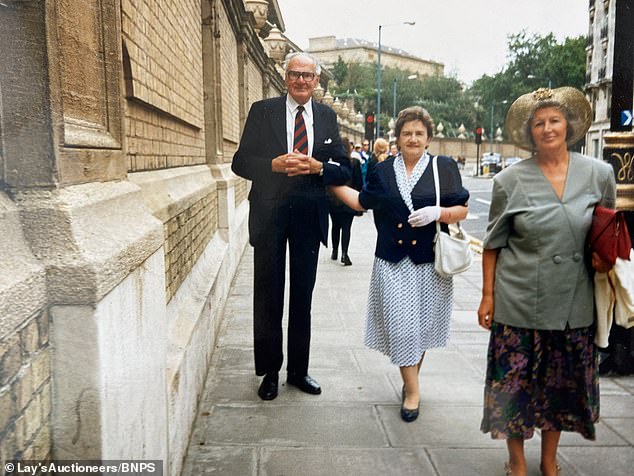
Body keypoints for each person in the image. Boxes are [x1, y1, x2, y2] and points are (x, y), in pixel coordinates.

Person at [477, 87, 616, 476]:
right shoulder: (509, 181)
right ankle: (517, 461)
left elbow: (609, 230)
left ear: (569, 126)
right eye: (539, 123)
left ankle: (550, 460)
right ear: (530, 132)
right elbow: (492, 245)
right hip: (519, 301)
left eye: (555, 120)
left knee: (560, 388)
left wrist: (603, 256)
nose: (548, 128)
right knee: (514, 388)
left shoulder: (599, 173)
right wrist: (488, 297)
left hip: (573, 302)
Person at [331, 106, 469, 422]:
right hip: (393, 262)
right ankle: (413, 392)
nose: (413, 138)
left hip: (430, 263)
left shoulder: (443, 167)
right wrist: (328, 182)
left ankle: (410, 382)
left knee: (419, 328)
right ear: (397, 137)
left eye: (419, 133)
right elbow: (360, 203)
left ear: (429, 138)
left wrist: (439, 213)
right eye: (407, 133)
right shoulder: (382, 171)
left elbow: (461, 209)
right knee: (403, 327)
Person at [231, 52, 351, 401]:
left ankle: (298, 371)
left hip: (308, 217)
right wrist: (273, 164)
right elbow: (240, 162)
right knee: (268, 295)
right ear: (286, 78)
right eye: (295, 74)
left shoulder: (327, 117)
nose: (301, 81)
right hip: (269, 215)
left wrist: (317, 167)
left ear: (317, 81)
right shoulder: (262, 110)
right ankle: (270, 371)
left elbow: (344, 169)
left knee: (302, 296)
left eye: (308, 75)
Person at [329, 137, 363, 266]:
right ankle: (345, 253)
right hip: (349, 199)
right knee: (347, 227)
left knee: (335, 226)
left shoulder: (333, 164)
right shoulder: (354, 163)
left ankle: (334, 251)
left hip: (334, 200)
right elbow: (359, 182)